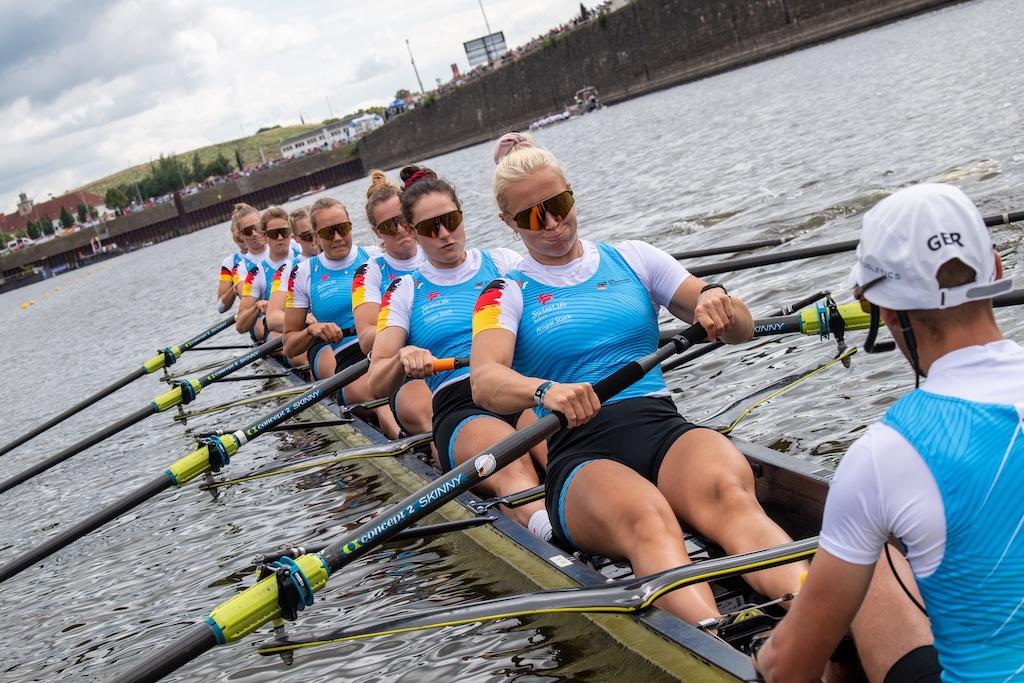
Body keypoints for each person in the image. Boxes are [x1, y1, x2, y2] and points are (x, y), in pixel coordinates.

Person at [470, 146, 806, 624]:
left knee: (731, 495)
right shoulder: (502, 292)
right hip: (580, 452)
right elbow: (485, 381)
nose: (552, 224)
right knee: (647, 517)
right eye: (532, 216)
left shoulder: (634, 258)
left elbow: (742, 330)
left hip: (661, 428)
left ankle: (815, 622)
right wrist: (545, 391)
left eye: (559, 205)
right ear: (508, 222)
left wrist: (718, 300)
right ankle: (712, 640)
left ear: (571, 195)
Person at [753, 183, 1020, 683]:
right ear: (997, 268)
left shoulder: (886, 453)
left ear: (883, 310)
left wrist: (764, 656)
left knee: (865, 559)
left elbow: (787, 671)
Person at [368, 166, 550, 537]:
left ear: (461, 216)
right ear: (413, 232)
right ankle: (552, 535)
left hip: (518, 389)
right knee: (513, 464)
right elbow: (375, 381)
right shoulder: (404, 290)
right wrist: (402, 359)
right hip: (460, 404)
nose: (444, 234)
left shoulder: (504, 263)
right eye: (430, 227)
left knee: (568, 451)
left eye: (450, 220)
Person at [284, 196, 399, 438]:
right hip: (349, 360)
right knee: (382, 398)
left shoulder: (375, 258)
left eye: (343, 228)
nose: (337, 237)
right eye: (328, 232)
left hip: (389, 348)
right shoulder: (303, 272)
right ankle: (404, 441)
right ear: (316, 237)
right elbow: (290, 346)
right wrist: (312, 330)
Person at [352, 170, 429, 435]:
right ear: (378, 233)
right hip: (405, 369)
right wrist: (420, 329)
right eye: (387, 226)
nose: (398, 230)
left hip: (452, 354)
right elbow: (366, 338)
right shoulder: (369, 272)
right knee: (429, 413)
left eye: (402, 220)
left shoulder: (439, 251)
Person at [265, 207, 319, 367]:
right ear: (295, 238)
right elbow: (272, 317)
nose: (315, 239)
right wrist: (304, 320)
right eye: (308, 236)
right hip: (309, 334)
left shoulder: (356, 255)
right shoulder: (287, 270)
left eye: (319, 232)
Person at [235, 206, 296, 343]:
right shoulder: (256, 273)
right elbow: (240, 326)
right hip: (278, 328)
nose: (280, 237)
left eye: (284, 232)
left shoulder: (303, 254)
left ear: (291, 232)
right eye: (274, 234)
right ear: (265, 235)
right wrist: (256, 307)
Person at [217, 221, 248, 312]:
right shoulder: (230, 263)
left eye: (248, 233)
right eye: (239, 238)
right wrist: (235, 287)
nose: (244, 241)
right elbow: (220, 307)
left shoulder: (273, 251)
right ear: (235, 239)